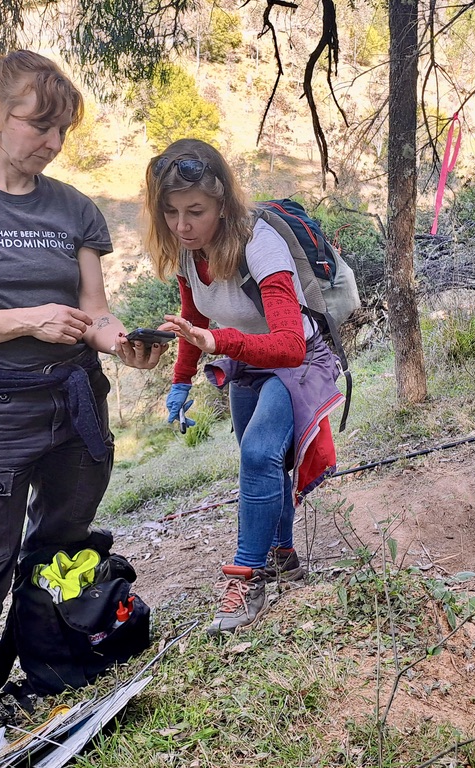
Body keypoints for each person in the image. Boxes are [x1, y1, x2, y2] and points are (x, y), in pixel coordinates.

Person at [0, 50, 165, 768]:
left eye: (61, 131)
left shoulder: (73, 207)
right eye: (39, 124)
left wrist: (121, 344)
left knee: (59, 549)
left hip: (75, 404)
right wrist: (26, 320)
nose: (50, 142)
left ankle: (49, 666)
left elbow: (94, 314)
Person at [142, 138, 344, 637]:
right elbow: (193, 317)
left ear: (223, 205)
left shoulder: (261, 245)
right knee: (260, 461)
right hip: (244, 360)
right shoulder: (189, 252)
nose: (182, 225)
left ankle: (245, 577)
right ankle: (283, 557)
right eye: (170, 212)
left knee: (258, 453)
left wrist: (218, 340)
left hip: (295, 360)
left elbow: (289, 345)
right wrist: (179, 382)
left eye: (196, 211)